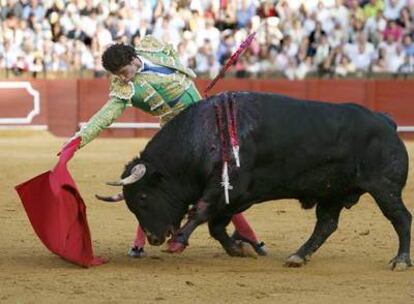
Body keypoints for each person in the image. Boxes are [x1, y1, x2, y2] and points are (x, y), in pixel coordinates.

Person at [65, 35, 267, 258]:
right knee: (169, 186)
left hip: (207, 121)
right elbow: (104, 117)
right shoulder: (124, 88)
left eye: (123, 71)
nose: (122, 78)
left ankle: (245, 233)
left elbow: (173, 55)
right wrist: (77, 140)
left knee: (221, 179)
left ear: (133, 59)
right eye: (117, 75)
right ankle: (139, 242)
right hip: (178, 137)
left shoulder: (152, 46)